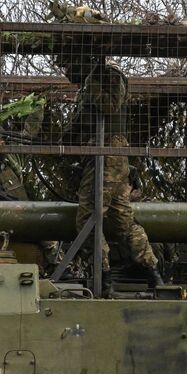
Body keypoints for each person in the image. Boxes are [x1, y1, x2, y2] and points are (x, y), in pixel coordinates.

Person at [60, 54, 161, 289]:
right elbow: (83, 121)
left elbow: (110, 105)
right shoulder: (92, 81)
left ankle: (102, 276)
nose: (66, 70)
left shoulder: (108, 76)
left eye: (67, 64)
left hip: (107, 154)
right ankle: (151, 271)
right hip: (107, 155)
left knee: (88, 218)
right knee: (122, 220)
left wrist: (94, 80)